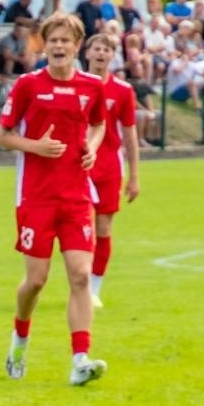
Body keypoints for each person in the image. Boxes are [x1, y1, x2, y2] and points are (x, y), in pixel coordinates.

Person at [0, 12, 108, 387]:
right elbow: (3, 134)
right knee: (37, 281)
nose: (59, 46)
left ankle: (80, 359)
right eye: (53, 40)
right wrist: (36, 147)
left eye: (66, 40)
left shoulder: (92, 86)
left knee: (79, 275)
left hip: (76, 196)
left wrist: (90, 148)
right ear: (45, 44)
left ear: (78, 46)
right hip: (36, 198)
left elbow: (97, 123)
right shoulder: (28, 85)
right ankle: (20, 338)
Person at [82, 34, 139, 311]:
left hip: (108, 168)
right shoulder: (75, 85)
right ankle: (79, 283)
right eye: (97, 48)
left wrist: (135, 176)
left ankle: (93, 289)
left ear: (112, 56)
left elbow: (130, 136)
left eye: (107, 49)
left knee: (103, 228)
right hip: (78, 166)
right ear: (87, 53)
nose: (101, 53)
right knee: (79, 229)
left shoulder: (123, 91)